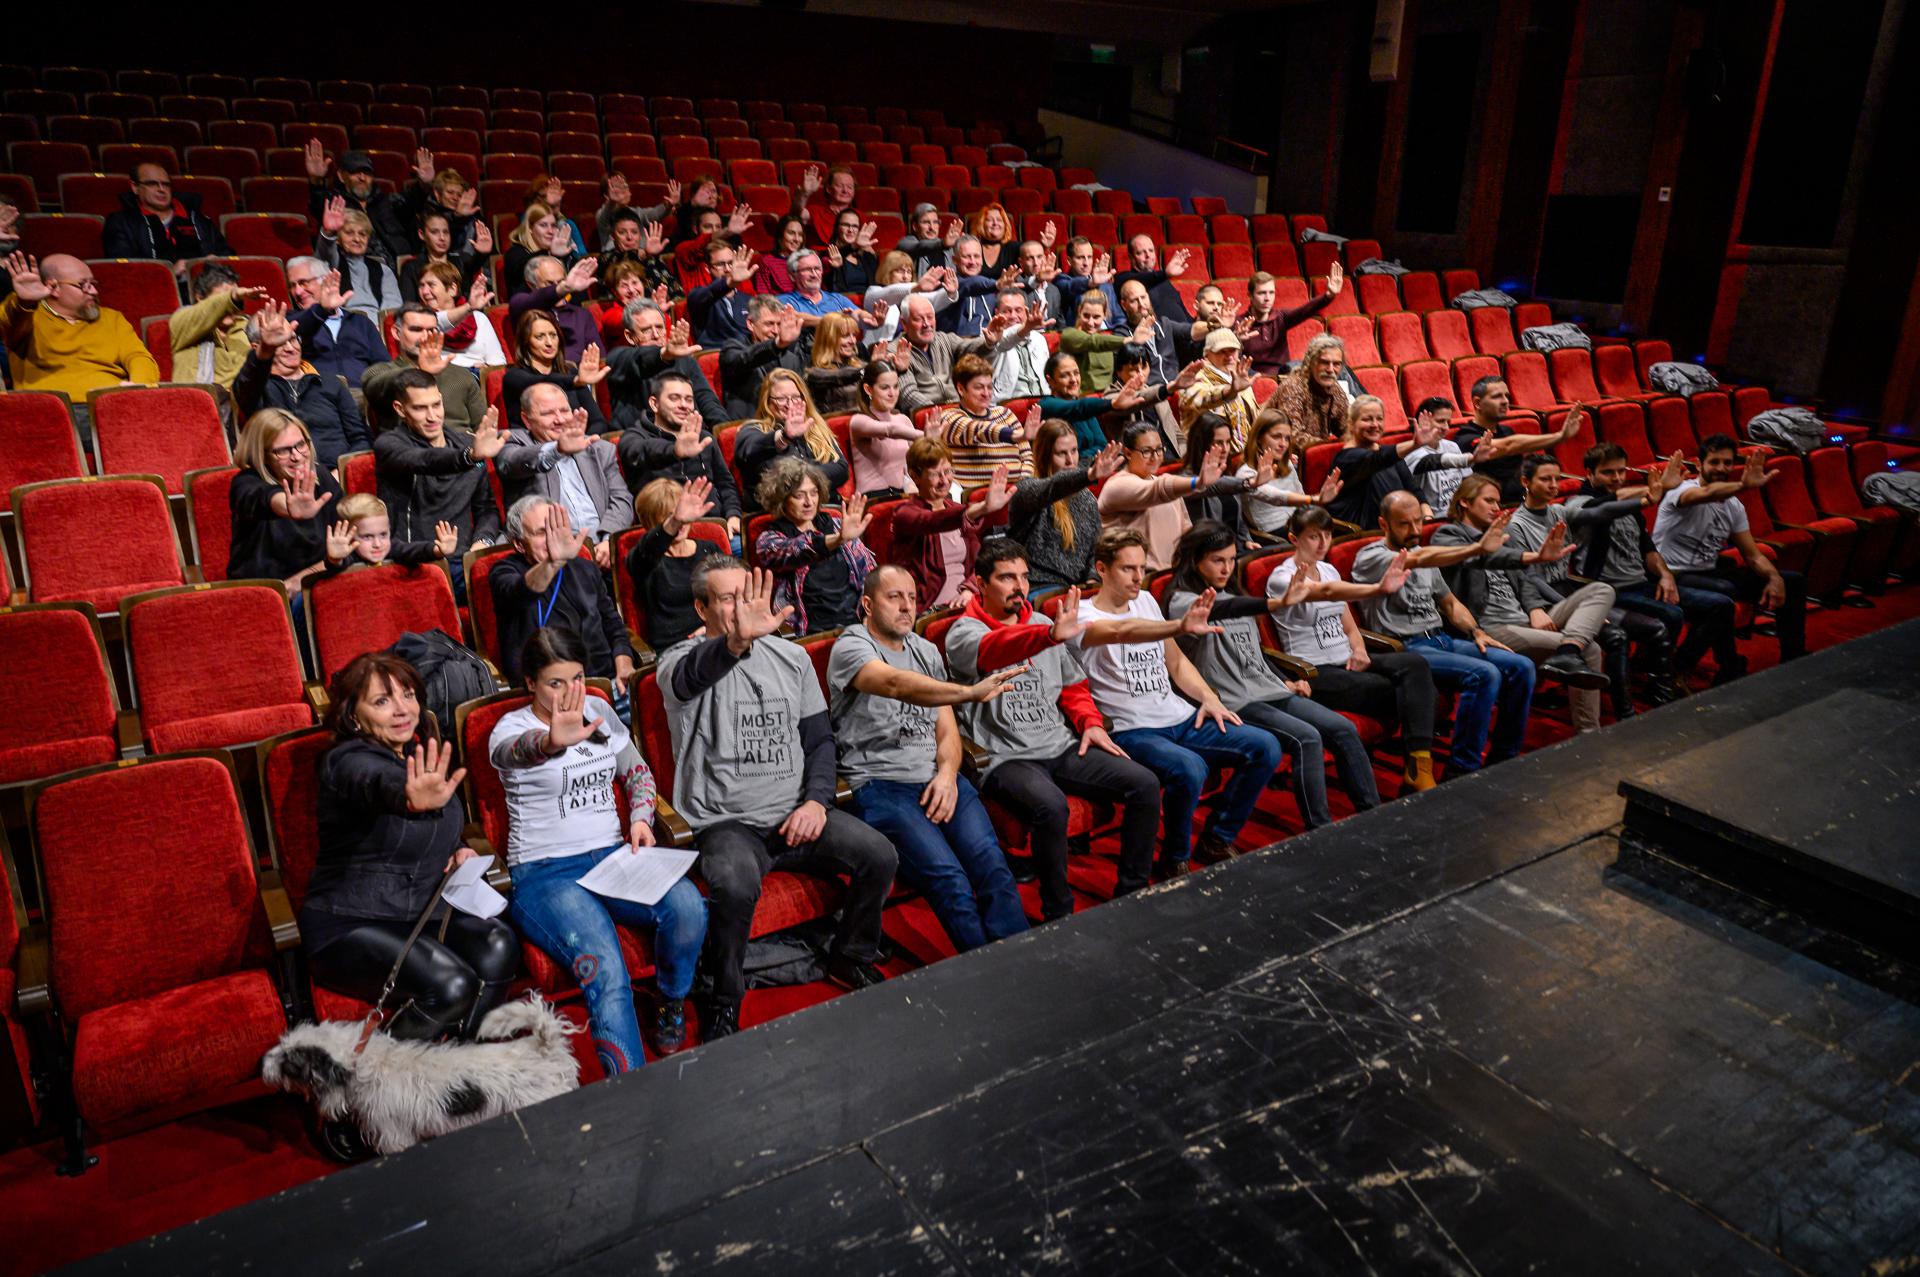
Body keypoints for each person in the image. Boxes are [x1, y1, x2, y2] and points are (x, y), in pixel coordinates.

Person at [659, 561, 898, 1038]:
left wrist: (816, 802)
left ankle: (849, 955)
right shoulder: (678, 660)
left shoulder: (792, 658)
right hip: (728, 823)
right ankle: (724, 998)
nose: (740, 607)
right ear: (701, 608)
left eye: (746, 594)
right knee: (734, 883)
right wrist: (734, 644)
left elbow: (820, 742)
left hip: (795, 813)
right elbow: (689, 678)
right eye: (726, 599)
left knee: (880, 855)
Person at [491, 628, 707, 1066]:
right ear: (530, 683)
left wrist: (641, 818)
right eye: (555, 683)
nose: (570, 693)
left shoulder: (598, 709)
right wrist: (551, 742)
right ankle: (629, 1086)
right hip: (545, 873)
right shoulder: (510, 729)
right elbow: (516, 753)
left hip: (611, 857)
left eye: (577, 678)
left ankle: (669, 1000)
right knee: (606, 968)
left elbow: (638, 773)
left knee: (688, 906)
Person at [306, 654, 517, 1099]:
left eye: (407, 695)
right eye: (382, 701)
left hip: (418, 911)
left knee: (498, 944)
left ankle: (454, 1074)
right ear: (355, 716)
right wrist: (405, 797)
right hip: (350, 923)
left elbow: (438, 825)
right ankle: (362, 1090)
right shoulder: (346, 761)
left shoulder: (420, 755)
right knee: (452, 984)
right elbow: (372, 784)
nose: (402, 709)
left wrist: (455, 848)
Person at [944, 540, 1165, 918]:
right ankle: (1058, 910)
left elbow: (1072, 686)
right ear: (980, 583)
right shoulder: (963, 631)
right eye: (1007, 578)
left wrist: (1091, 723)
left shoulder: (1044, 623)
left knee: (1144, 784)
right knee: (1051, 806)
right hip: (1004, 756)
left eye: (1024, 577)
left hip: (1058, 744)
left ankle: (1132, 891)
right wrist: (1046, 637)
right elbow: (992, 650)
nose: (1019, 586)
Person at [829, 566, 1031, 951]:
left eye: (912, 598)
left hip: (937, 777)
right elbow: (894, 684)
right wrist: (968, 692)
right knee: (950, 878)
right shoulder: (851, 646)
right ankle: (986, 968)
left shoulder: (924, 650)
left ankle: (1020, 956)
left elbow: (947, 729)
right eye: (894, 598)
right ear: (868, 605)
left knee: (991, 864)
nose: (907, 607)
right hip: (881, 784)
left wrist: (948, 774)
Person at [1078, 528, 1281, 874]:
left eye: (1142, 568)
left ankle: (1217, 837)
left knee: (1265, 746)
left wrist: (1208, 697)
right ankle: (1175, 859)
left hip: (1178, 715)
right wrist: (1178, 626)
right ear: (1102, 569)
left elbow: (1176, 662)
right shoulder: (1084, 616)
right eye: (1128, 569)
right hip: (1131, 728)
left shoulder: (1145, 600)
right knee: (1190, 767)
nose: (1138, 577)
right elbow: (1121, 631)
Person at [1169, 521, 1397, 827]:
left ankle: (1374, 814)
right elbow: (1229, 609)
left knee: (1342, 728)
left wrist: (1284, 678)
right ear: (1195, 561)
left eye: (1231, 559)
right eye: (1217, 561)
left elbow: (1254, 650)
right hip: (1234, 699)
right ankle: (1320, 828)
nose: (1226, 568)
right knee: (1307, 738)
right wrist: (1277, 602)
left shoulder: (1232, 590)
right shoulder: (1184, 602)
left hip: (1267, 687)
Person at [1350, 491, 1548, 775]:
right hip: (1406, 648)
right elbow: (1419, 559)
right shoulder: (1371, 557)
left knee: (1522, 667)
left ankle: (1504, 757)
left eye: (1418, 521)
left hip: (1442, 640)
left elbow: (1450, 603)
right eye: (1404, 524)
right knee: (1484, 674)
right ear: (1384, 524)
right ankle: (1462, 768)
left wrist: (1476, 631)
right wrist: (1476, 549)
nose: (1415, 530)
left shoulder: (1423, 554)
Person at [1266, 505, 1441, 791]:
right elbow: (1326, 592)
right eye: (1313, 536)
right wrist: (1377, 588)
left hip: (1347, 660)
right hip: (1316, 671)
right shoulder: (1282, 578)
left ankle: (1418, 763)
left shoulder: (1329, 569)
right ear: (1294, 539)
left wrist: (1359, 649)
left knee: (1415, 664)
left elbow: (1349, 626)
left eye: (1327, 535)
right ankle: (1416, 769)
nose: (1323, 543)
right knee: (1419, 693)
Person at [1434, 474, 1614, 733]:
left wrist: (1535, 608)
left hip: (1525, 617)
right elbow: (1478, 559)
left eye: (1498, 502)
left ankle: (1569, 648)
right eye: (1489, 501)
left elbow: (1525, 579)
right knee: (1591, 649)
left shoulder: (1499, 535)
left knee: (1601, 590)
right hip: (1493, 627)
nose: (1496, 508)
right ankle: (1589, 733)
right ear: (1465, 502)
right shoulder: (1447, 535)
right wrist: (1529, 556)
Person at [1506, 451, 1670, 716]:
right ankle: (1625, 713)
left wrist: (1645, 500)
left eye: (1557, 479)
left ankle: (1634, 703)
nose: (1553, 485)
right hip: (1543, 599)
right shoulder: (1516, 525)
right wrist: (1575, 607)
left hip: (1568, 589)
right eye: (1545, 479)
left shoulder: (1558, 511)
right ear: (1526, 482)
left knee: (1648, 627)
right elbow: (1531, 578)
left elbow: (1601, 511)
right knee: (1615, 636)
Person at [1566, 443, 1723, 701]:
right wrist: (1655, 489)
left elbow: (1647, 549)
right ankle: (1659, 681)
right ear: (1589, 474)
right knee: (1671, 614)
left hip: (1639, 584)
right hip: (1607, 590)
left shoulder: (1633, 506)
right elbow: (1603, 506)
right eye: (1608, 472)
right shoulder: (1578, 503)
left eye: (1621, 471)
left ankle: (1676, 669)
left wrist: (1665, 575)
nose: (1617, 478)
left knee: (1719, 605)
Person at [1651, 434, 1807, 671]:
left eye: (1727, 463)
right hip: (1672, 574)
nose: (1721, 468)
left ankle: (1793, 659)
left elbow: (1752, 555)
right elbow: (1707, 493)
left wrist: (1774, 577)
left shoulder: (1734, 505)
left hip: (1708, 572)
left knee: (1792, 582)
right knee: (1725, 591)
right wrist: (1743, 486)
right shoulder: (1681, 491)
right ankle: (1695, 666)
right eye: (1714, 462)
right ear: (1699, 465)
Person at [372, 369, 506, 600]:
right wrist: (469, 457)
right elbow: (425, 460)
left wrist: (482, 543)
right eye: (420, 408)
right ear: (400, 409)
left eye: (436, 405)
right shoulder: (389, 446)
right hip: (418, 562)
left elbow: (486, 508)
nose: (432, 416)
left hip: (465, 559)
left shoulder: (467, 444)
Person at [490, 497, 637, 690]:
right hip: (549, 691)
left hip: (606, 682)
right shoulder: (503, 572)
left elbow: (613, 625)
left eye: (555, 528)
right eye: (542, 532)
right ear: (519, 544)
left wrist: (624, 663)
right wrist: (553, 562)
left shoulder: (585, 568)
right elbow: (520, 591)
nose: (552, 538)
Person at [498, 383, 632, 567]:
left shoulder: (598, 448)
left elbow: (621, 499)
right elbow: (511, 463)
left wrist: (609, 539)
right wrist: (557, 450)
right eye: (548, 413)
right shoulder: (513, 441)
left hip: (602, 550)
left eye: (564, 410)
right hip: (548, 557)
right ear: (526, 420)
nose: (559, 419)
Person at [233, 299, 371, 471]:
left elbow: (360, 439)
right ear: (258, 348)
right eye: (280, 343)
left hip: (341, 474)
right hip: (287, 478)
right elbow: (246, 384)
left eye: (293, 339)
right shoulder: (257, 391)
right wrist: (264, 353)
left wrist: (342, 473)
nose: (291, 348)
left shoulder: (331, 383)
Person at [2, 252, 159, 402]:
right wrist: (24, 302)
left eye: (93, 284)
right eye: (83, 285)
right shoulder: (27, 317)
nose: (94, 291)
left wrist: (138, 386)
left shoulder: (112, 318)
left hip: (109, 402)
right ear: (54, 288)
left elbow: (138, 356)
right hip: (52, 408)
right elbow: (8, 318)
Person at [226, 408, 347, 597]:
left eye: (301, 444)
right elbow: (265, 498)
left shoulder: (320, 476)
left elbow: (347, 543)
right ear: (262, 455)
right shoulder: (245, 483)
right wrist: (288, 507)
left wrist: (305, 577)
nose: (297, 456)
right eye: (282, 450)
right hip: (266, 594)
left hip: (316, 585)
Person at [615, 370, 743, 543]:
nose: (684, 405)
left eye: (689, 399)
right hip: (667, 535)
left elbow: (725, 484)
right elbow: (641, 451)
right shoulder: (634, 438)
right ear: (654, 404)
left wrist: (733, 515)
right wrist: (674, 451)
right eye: (674, 398)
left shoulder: (704, 438)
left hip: (715, 528)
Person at [754, 457, 875, 634]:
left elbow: (869, 574)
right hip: (810, 630)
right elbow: (797, 550)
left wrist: (871, 615)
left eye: (814, 493)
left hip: (856, 624)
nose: (809, 502)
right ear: (782, 499)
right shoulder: (769, 540)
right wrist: (838, 540)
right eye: (799, 495)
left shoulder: (837, 525)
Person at [1324, 394, 1483, 529]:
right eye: (1367, 419)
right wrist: (1415, 444)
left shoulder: (1387, 453)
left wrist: (1427, 518)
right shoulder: (1347, 458)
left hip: (1402, 529)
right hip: (1367, 534)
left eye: (1379, 419)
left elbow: (1414, 489)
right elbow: (1378, 459)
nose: (1375, 425)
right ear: (1351, 424)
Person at [1097, 421, 1236, 571]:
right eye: (1146, 451)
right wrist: (1197, 482)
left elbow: (1186, 531)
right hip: (1139, 575)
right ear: (1128, 453)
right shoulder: (1117, 486)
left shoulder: (1166, 488)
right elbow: (1157, 489)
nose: (1155, 457)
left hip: (1173, 571)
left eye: (1159, 449)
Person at [1008, 421, 1127, 592]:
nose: (1070, 460)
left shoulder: (1086, 497)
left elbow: (1096, 549)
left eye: (1074, 451)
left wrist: (1093, 578)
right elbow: (1054, 486)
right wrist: (1088, 474)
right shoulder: (1026, 490)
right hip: (1038, 587)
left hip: (1078, 587)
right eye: (1061, 453)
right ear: (1044, 456)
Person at [892, 439, 1013, 608]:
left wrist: (969, 589)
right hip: (929, 609)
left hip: (968, 601)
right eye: (935, 474)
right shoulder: (905, 514)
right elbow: (933, 521)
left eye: (948, 471)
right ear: (915, 476)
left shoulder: (955, 508)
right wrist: (982, 508)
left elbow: (979, 560)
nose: (944, 480)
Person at [627, 477, 728, 652]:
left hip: (720, 636)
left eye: (681, 512)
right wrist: (675, 521)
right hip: (676, 649)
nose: (681, 523)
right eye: (669, 517)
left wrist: (712, 629)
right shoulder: (645, 561)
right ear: (650, 523)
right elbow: (646, 551)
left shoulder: (710, 549)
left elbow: (734, 595)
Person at [362, 305, 489, 435]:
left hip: (464, 444)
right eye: (416, 330)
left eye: (431, 330)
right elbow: (374, 387)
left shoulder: (461, 375)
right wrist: (419, 370)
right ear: (396, 333)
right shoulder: (380, 372)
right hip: (410, 445)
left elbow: (483, 427)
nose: (424, 337)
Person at [607, 298, 729, 430]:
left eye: (659, 327)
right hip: (644, 437)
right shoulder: (619, 359)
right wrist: (663, 355)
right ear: (630, 336)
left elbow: (706, 399)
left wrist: (724, 429)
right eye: (646, 330)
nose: (655, 335)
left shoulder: (685, 360)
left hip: (689, 432)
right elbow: (640, 359)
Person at [735, 369, 851, 507]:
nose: (789, 404)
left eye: (796, 397)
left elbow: (841, 469)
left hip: (827, 507)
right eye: (781, 399)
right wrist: (784, 437)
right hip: (778, 514)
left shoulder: (816, 427)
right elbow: (752, 451)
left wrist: (803, 476)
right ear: (767, 401)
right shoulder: (752, 431)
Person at [1458, 376, 1580, 502]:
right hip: (1496, 506)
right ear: (1477, 403)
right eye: (1497, 396)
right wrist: (1559, 436)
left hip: (1523, 501)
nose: (1505, 401)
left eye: (1507, 396)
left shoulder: (1507, 431)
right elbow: (1509, 446)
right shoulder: (1466, 438)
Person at [102, 162, 229, 275]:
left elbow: (226, 255)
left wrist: (212, 263)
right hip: (153, 288)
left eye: (166, 184)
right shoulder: (120, 222)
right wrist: (169, 273)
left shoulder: (198, 219)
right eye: (152, 184)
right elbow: (123, 269)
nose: (162, 189)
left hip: (204, 284)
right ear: (135, 187)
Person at [936, 355, 1035, 492]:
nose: (986, 393)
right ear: (961, 389)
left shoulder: (1005, 414)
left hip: (1016, 491)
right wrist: (1015, 435)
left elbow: (1027, 456)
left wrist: (1023, 483)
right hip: (974, 496)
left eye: (989, 387)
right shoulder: (948, 418)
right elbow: (978, 430)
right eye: (979, 388)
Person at [1036, 349, 1160, 455]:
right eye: (1065, 375)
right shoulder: (1046, 406)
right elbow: (1077, 408)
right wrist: (1112, 403)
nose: (1073, 380)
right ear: (1050, 380)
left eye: (1076, 373)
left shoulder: (1086, 408)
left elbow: (1101, 444)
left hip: (1092, 467)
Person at [302, 143, 411, 262]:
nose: (362, 178)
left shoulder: (388, 201)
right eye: (355, 172)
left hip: (396, 266)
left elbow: (415, 208)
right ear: (341, 176)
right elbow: (318, 203)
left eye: (367, 173)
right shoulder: (335, 203)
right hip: (352, 266)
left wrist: (423, 186)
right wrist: (316, 182)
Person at [1237, 409, 1338, 536]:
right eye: (1276, 437)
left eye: (1287, 438)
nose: (1283, 444)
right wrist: (1314, 499)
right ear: (1259, 438)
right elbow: (1275, 497)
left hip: (1299, 523)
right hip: (1272, 534)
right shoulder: (1245, 473)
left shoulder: (1286, 464)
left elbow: (1300, 498)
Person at [501, 310, 608, 432]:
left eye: (553, 335)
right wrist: (575, 380)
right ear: (526, 341)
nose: (549, 343)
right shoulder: (514, 377)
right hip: (534, 442)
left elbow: (598, 422)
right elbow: (540, 381)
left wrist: (582, 440)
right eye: (540, 337)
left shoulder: (570, 372)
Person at [286, 258, 384, 388]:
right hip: (319, 394)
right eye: (292, 286)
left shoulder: (361, 322)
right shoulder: (290, 321)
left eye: (304, 283)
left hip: (366, 393)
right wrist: (322, 310)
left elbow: (383, 365)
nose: (297, 292)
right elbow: (299, 327)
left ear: (325, 280)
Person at [893, 292, 996, 413]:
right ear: (904, 323)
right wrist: (940, 412)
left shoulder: (944, 339)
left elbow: (969, 348)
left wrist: (988, 342)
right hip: (927, 415)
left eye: (930, 317)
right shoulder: (895, 351)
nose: (926, 324)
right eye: (918, 319)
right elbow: (908, 395)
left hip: (959, 411)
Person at [166, 262, 262, 390]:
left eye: (237, 300)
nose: (231, 307)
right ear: (200, 298)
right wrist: (230, 297)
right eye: (223, 298)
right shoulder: (185, 323)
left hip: (241, 398)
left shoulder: (246, 326)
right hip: (199, 398)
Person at [720, 295, 811, 419]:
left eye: (779, 324)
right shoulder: (733, 349)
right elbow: (743, 359)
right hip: (750, 423)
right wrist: (776, 345)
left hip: (787, 422)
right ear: (750, 324)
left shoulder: (791, 359)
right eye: (769, 324)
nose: (776, 331)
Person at [1238, 266, 1340, 377]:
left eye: (1271, 293)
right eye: (1262, 293)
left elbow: (1306, 310)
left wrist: (1329, 295)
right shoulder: (1240, 323)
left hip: (1283, 376)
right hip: (1253, 377)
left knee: (1327, 367)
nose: (1267, 298)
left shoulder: (1281, 317)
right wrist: (1236, 338)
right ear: (1250, 295)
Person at [314, 199, 403, 319]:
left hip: (376, 325)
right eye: (349, 233)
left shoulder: (383, 270)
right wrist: (329, 233)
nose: (357, 239)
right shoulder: (331, 264)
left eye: (362, 234)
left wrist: (379, 326)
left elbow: (392, 308)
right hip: (342, 321)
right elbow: (326, 251)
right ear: (338, 239)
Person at [508, 254, 601, 368]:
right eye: (550, 283)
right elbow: (527, 301)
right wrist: (564, 288)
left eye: (562, 281)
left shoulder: (581, 314)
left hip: (581, 372)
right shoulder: (524, 309)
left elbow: (599, 355)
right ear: (531, 285)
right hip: (542, 374)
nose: (559, 286)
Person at [1175, 328, 1259, 452]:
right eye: (1221, 351)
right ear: (1207, 354)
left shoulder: (1241, 378)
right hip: (1207, 455)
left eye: (1233, 350)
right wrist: (1230, 391)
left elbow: (1253, 420)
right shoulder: (1193, 379)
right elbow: (1205, 397)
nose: (1229, 356)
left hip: (1244, 453)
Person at [327, 493, 458, 572]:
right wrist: (335, 559)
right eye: (367, 537)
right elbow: (338, 566)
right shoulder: (350, 557)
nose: (377, 544)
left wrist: (438, 550)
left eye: (383, 534)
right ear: (349, 537)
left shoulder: (392, 549)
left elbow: (413, 550)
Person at [848, 358, 921, 496]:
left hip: (902, 494)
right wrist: (925, 435)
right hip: (873, 498)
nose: (892, 393)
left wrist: (911, 483)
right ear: (868, 389)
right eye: (885, 387)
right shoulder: (859, 421)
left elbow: (918, 461)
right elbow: (890, 430)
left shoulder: (903, 420)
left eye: (896, 386)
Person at [414, 262, 504, 371]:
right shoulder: (418, 320)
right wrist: (469, 307)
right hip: (442, 376)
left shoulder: (478, 318)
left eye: (431, 285)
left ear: (452, 289)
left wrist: (485, 370)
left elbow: (498, 362)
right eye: (421, 286)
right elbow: (438, 321)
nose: (424, 292)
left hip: (477, 376)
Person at [1266, 332, 1351, 446]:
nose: (1330, 369)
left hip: (1316, 451)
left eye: (1336, 364)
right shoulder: (1293, 387)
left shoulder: (1335, 390)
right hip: (1279, 452)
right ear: (1310, 362)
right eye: (1324, 362)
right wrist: (1330, 447)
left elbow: (1347, 430)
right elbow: (1292, 436)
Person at [398, 207, 491, 304]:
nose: (442, 238)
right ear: (422, 234)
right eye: (434, 232)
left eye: (446, 232)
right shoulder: (412, 268)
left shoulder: (461, 260)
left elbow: (475, 264)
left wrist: (482, 253)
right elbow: (409, 305)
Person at [685, 233, 760, 348]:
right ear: (707, 268)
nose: (728, 269)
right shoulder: (700, 298)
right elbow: (706, 293)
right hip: (717, 355)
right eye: (720, 264)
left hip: (748, 353)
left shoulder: (749, 300)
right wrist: (729, 283)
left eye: (731, 263)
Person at [860, 254, 952, 347]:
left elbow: (934, 299)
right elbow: (892, 292)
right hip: (878, 350)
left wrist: (951, 291)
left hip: (907, 350)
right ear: (887, 272)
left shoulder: (912, 297)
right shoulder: (874, 292)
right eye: (900, 271)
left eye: (909, 272)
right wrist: (916, 287)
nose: (905, 276)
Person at [502, 201, 580, 301]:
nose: (550, 231)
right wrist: (551, 254)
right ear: (530, 228)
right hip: (530, 308)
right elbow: (522, 272)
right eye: (543, 225)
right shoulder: (515, 253)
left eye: (553, 225)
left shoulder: (561, 252)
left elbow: (577, 293)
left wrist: (564, 257)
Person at [1057, 291, 1131, 393]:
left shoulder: (1108, 340)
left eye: (1096, 317)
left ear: (1104, 315)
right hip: (1081, 397)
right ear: (1079, 311)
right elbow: (1093, 341)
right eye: (1086, 316)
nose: (1091, 323)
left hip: (1109, 395)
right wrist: (1128, 340)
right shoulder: (1069, 335)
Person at [988, 288, 1051, 401]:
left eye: (1018, 310)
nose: (1013, 316)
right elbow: (1006, 339)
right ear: (997, 313)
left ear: (1026, 312)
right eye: (1006, 311)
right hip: (1007, 403)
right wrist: (1026, 328)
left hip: (1043, 399)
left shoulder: (1039, 339)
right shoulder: (992, 338)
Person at [1115, 235, 1194, 323]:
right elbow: (1144, 278)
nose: (1148, 255)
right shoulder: (1124, 279)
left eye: (1151, 250)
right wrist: (1164, 273)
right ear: (1131, 257)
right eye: (1140, 252)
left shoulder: (1163, 280)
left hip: (1184, 329)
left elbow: (1184, 313)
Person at [805, 311, 867, 414]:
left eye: (854, 335)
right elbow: (839, 376)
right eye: (845, 336)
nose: (852, 341)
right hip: (833, 422)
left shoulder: (860, 366)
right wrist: (868, 370)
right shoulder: (815, 373)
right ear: (828, 338)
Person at [779, 248, 863, 321]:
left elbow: (859, 314)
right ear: (792, 276)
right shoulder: (783, 301)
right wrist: (834, 320)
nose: (814, 275)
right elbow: (795, 318)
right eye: (807, 269)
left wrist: (868, 317)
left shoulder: (838, 299)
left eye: (817, 269)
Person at [793, 163, 858, 247]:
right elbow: (796, 215)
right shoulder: (816, 211)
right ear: (828, 189)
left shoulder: (859, 216)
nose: (845, 190)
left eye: (850, 187)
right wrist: (805, 194)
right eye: (840, 186)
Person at [969, 203, 1018, 277]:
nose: (995, 223)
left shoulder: (1015, 248)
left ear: (1005, 225)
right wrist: (949, 245)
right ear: (981, 224)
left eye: (999, 220)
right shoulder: (971, 247)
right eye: (989, 220)